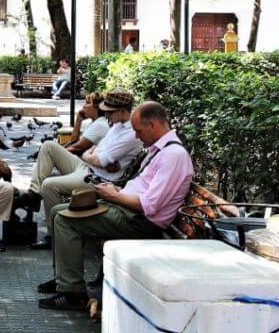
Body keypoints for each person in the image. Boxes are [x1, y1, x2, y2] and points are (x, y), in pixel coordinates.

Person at [37, 102, 194, 311]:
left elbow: (149, 205)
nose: (137, 136)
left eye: (139, 131)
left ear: (153, 125)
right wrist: (116, 191)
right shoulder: (162, 149)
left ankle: (73, 292)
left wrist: (114, 196)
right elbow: (143, 190)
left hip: (138, 222)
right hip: (128, 210)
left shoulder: (173, 155)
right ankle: (63, 279)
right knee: (57, 211)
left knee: (65, 220)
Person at [27, 89, 142, 250]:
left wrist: (90, 156)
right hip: (87, 168)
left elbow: (98, 158)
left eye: (110, 112)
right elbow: (94, 153)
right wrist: (92, 156)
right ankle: (34, 193)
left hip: (96, 180)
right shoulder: (117, 126)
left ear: (123, 111)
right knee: (48, 146)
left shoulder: (130, 134)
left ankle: (53, 236)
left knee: (49, 185)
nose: (106, 114)